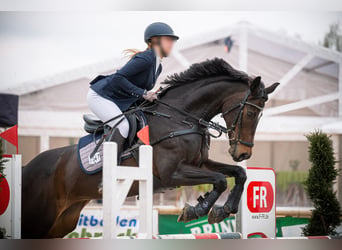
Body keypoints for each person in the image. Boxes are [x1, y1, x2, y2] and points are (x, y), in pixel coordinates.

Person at [87, 22, 179, 159]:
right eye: (168, 40)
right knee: (123, 127)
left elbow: (135, 88)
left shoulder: (157, 67)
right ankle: (110, 165)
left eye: (172, 41)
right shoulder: (147, 58)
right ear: (154, 40)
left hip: (117, 99)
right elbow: (118, 78)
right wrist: (143, 93)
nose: (171, 44)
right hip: (100, 96)